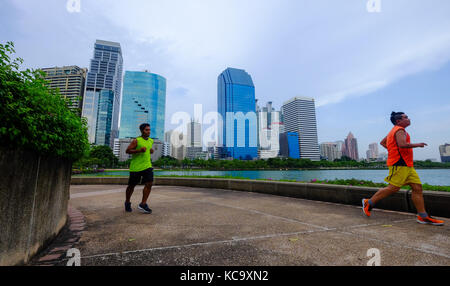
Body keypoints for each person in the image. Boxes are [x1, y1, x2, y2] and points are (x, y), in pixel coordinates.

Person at [362, 112, 444, 226]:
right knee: (393, 188)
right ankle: (368, 202)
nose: (408, 119)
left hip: (407, 165)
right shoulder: (399, 130)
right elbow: (402, 144)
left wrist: (392, 149)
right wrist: (417, 144)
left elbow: (383, 142)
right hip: (399, 164)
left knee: (417, 188)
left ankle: (423, 216)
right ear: (398, 121)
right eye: (405, 118)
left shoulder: (394, 130)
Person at [124, 123, 154, 214]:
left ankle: (143, 204)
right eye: (146, 130)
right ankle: (127, 202)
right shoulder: (136, 140)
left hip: (147, 166)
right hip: (136, 168)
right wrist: (139, 150)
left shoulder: (151, 141)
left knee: (149, 183)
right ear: (141, 131)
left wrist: (150, 151)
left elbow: (148, 150)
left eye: (149, 130)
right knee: (131, 186)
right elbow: (127, 151)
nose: (148, 131)